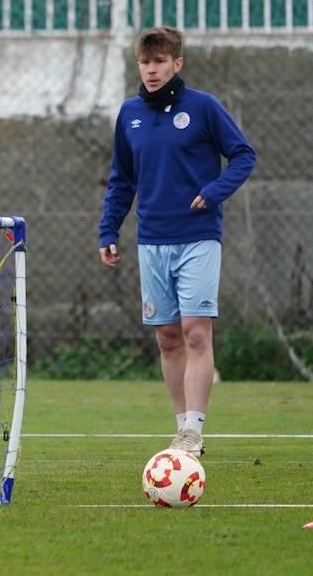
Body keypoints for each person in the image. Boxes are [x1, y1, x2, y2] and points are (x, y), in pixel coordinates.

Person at [98, 26, 255, 457]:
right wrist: (108, 230)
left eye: (160, 62)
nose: (152, 70)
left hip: (198, 237)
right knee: (167, 337)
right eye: (145, 63)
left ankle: (193, 433)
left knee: (196, 333)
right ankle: (180, 427)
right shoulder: (129, 114)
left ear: (177, 64)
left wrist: (216, 191)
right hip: (151, 241)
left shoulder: (203, 108)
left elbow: (244, 154)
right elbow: (121, 180)